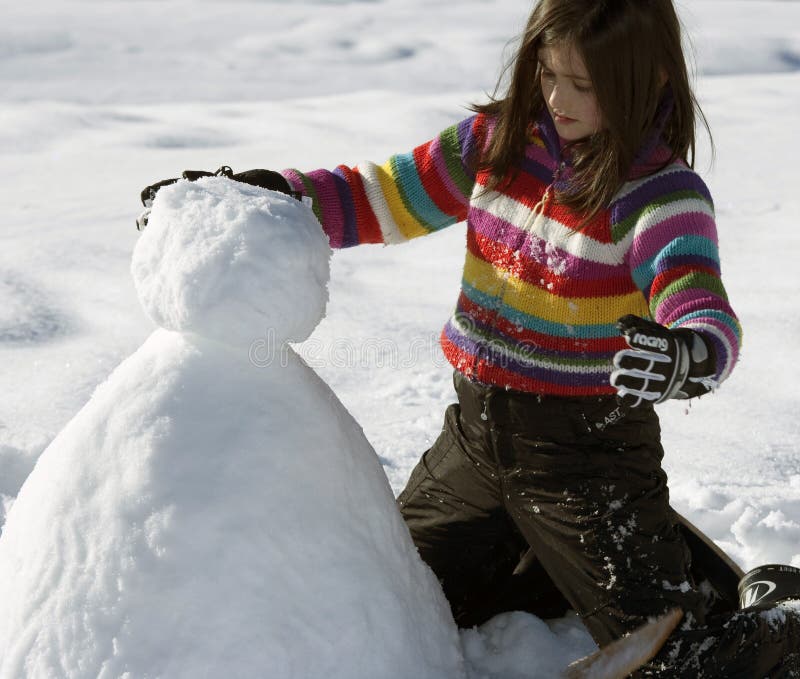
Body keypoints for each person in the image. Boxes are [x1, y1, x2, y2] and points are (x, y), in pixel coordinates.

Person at [141, 0, 800, 674]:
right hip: (475, 444)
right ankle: (547, 554)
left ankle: (782, 618)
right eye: (548, 74)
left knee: (681, 658)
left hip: (587, 461)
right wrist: (275, 196)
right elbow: (384, 195)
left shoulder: (659, 195)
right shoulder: (498, 142)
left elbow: (699, 301)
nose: (557, 99)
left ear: (648, 78)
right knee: (385, 597)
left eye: (584, 85)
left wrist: (688, 353)